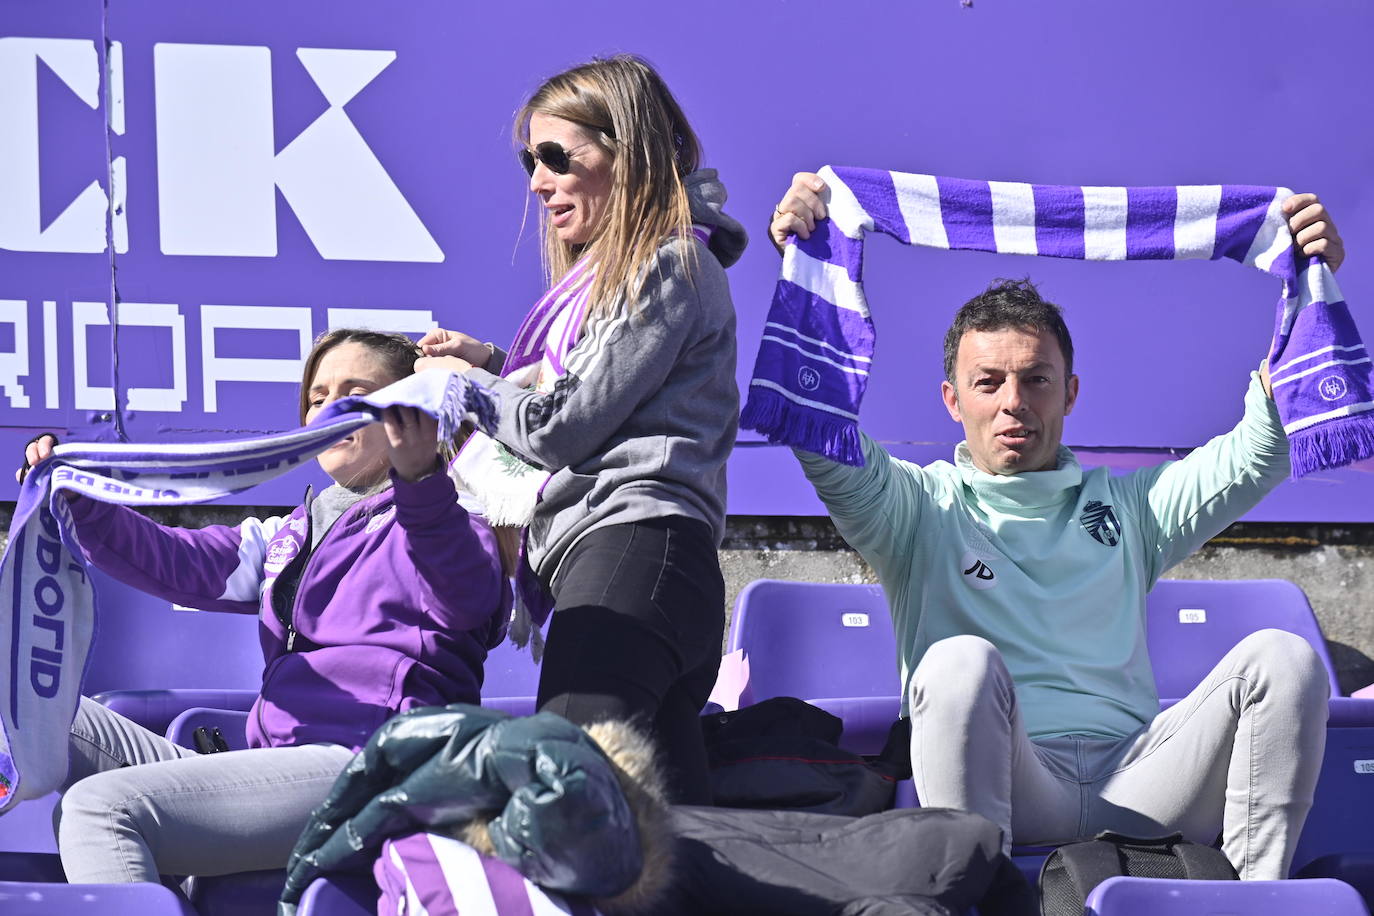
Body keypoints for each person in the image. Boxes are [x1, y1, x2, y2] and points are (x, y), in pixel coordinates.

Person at [769, 172, 1345, 879]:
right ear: (953, 400)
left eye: (1036, 379)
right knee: (959, 661)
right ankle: (966, 894)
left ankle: (1256, 902)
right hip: (1009, 785)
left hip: (1142, 783)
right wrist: (806, 270)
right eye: (989, 383)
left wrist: (1308, 293)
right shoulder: (915, 507)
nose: (1014, 403)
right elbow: (822, 436)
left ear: (1069, 392)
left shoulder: (1131, 508)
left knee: (1284, 658)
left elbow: (1266, 445)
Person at [18, 328, 509, 885]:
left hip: (374, 769)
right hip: (270, 767)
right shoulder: (294, 530)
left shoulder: (451, 518)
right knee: (33, 706)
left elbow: (463, 595)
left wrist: (420, 480)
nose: (330, 407)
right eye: (317, 397)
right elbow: (177, 561)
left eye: (356, 391)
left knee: (98, 810)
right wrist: (83, 503)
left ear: (411, 411)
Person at [415, 55, 747, 804]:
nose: (539, 181)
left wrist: (463, 389)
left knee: (563, 797)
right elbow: (592, 388)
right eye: (531, 161)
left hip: (635, 551)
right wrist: (492, 364)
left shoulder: (671, 261)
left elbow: (563, 425)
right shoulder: (629, 271)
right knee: (674, 848)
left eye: (558, 157)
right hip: (635, 565)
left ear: (627, 152)